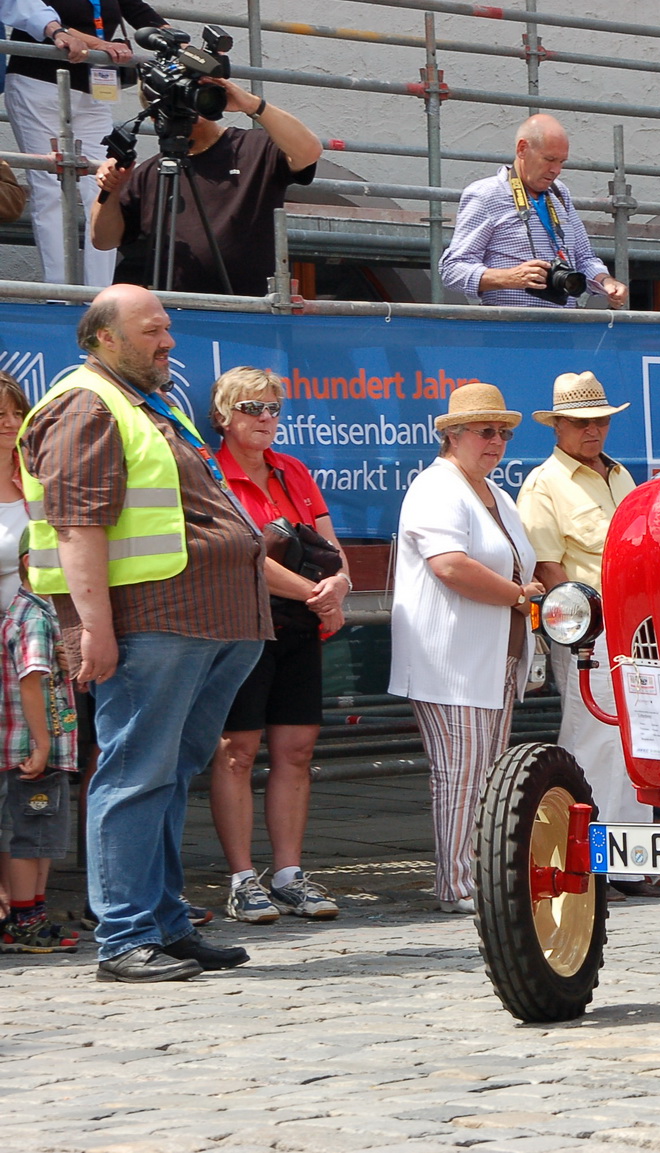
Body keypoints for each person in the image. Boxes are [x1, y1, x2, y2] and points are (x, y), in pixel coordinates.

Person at [18, 282, 271, 981]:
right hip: (150, 623)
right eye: (153, 329)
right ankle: (126, 935)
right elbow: (77, 524)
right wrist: (94, 626)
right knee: (135, 774)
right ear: (104, 337)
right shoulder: (84, 403)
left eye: (167, 327)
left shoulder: (142, 404)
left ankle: (164, 922)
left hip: (201, 622)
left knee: (165, 775)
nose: (169, 341)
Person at [517, 372, 660, 900]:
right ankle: (588, 860)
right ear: (557, 425)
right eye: (583, 422)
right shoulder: (543, 484)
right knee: (593, 737)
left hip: (635, 623)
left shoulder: (619, 473)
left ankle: (632, 859)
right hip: (593, 627)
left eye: (601, 420)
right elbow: (549, 569)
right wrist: (591, 619)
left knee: (637, 737)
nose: (594, 430)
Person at [390, 383, 541, 914]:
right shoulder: (436, 487)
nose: (497, 441)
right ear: (452, 436)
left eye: (503, 432)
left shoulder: (496, 493)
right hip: (449, 657)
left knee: (489, 772)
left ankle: (479, 874)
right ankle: (456, 883)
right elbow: (450, 566)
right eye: (485, 431)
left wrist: (527, 597)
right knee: (461, 771)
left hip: (494, 656)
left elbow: (519, 561)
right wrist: (520, 598)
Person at [206, 367, 348, 924]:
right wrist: (321, 592)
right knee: (236, 752)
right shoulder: (211, 473)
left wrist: (335, 587)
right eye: (251, 409)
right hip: (243, 624)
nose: (266, 419)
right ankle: (242, 878)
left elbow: (331, 548)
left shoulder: (293, 471)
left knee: (296, 751)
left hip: (301, 623)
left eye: (273, 410)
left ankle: (289, 874)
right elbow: (240, 559)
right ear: (223, 416)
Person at [89, 76, 320, 296]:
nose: (187, 107)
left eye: (191, 94)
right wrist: (111, 188)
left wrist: (251, 104)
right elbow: (104, 240)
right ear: (154, 115)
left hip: (249, 312)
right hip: (177, 315)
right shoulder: (149, 172)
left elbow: (309, 151)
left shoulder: (255, 147)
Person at [4, 0, 148, 286]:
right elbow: (28, 10)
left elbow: (136, 9)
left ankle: (101, 294)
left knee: (105, 187)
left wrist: (173, 39)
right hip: (39, 82)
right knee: (51, 190)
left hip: (94, 88)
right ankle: (60, 293)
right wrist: (92, 41)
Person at [439, 115, 626, 309]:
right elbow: (451, 270)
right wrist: (508, 278)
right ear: (522, 149)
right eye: (549, 159)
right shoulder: (486, 194)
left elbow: (584, 258)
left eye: (562, 162)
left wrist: (606, 282)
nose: (556, 170)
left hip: (564, 327)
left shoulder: (559, 193)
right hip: (510, 328)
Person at [0, 541, 81, 953]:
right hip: (35, 747)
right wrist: (43, 742)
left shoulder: (43, 613)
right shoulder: (33, 616)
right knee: (31, 837)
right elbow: (30, 679)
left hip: (44, 746)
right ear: (32, 564)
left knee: (44, 836)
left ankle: (32, 914)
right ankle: (24, 920)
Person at [0, 373, 29, 605]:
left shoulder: (38, 472)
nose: (12, 423)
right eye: (1, 415)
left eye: (17, 414)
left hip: (52, 626)